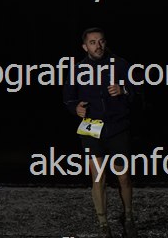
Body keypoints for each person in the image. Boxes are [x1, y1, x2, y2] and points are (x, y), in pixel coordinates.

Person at [63, 27, 137, 238]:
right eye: (93, 42)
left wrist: (124, 90)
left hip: (117, 128)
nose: (98, 46)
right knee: (98, 177)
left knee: (123, 176)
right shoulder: (78, 69)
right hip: (91, 129)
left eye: (101, 41)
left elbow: (138, 91)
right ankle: (103, 224)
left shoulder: (120, 64)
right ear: (85, 46)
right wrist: (75, 108)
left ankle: (128, 217)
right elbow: (68, 98)